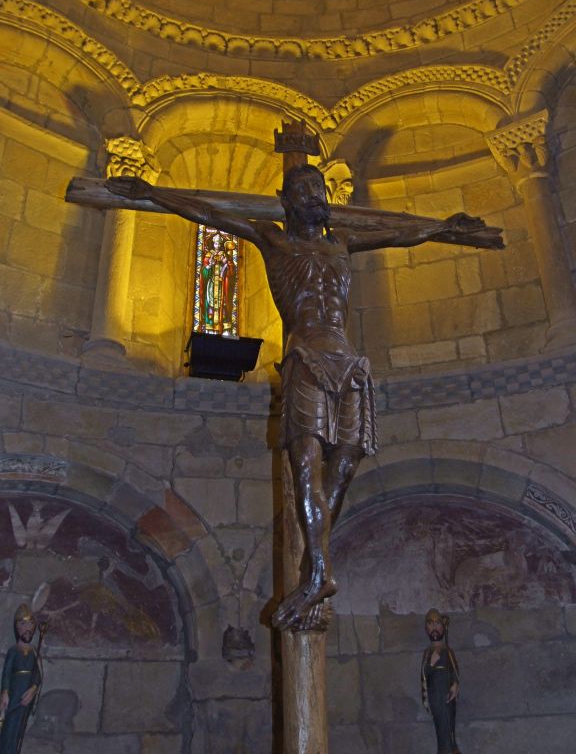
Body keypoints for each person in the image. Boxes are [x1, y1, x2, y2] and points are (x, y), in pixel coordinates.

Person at [106, 165, 502, 630]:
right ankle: (318, 572)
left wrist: (442, 227)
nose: (315, 196)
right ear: (285, 199)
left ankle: (317, 567)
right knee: (307, 466)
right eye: (304, 189)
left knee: (348, 462)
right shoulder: (272, 238)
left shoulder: (342, 241)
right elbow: (208, 213)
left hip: (349, 361)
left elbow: (398, 232)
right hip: (305, 356)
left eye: (319, 188)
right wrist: (153, 191)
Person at [0, 605, 42, 754]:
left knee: (20, 731)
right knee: (9, 729)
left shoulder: (34, 652)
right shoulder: (13, 651)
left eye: (30, 623)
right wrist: (4, 692)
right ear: (16, 627)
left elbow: (37, 675)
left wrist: (33, 688)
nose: (27, 628)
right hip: (13, 697)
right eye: (23, 624)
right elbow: (6, 673)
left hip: (26, 698)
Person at [421, 608, 461, 754]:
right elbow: (424, 675)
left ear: (443, 627)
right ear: (426, 628)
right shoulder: (428, 653)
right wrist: (431, 663)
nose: (434, 628)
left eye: (437, 623)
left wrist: (455, 684)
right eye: (431, 624)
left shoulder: (448, 651)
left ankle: (453, 750)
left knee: (450, 728)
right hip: (436, 698)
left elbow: (454, 671)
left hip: (448, 697)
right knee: (442, 729)